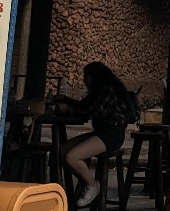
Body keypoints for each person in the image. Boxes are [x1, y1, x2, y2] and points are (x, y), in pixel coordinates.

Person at [55, 61, 130, 208]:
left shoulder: (107, 90)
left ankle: (92, 185)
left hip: (111, 135)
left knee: (71, 157)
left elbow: (92, 112)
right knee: (61, 150)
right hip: (101, 133)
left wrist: (68, 110)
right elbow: (85, 106)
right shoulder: (100, 90)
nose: (84, 81)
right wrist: (66, 100)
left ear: (95, 77)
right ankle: (77, 186)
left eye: (86, 77)